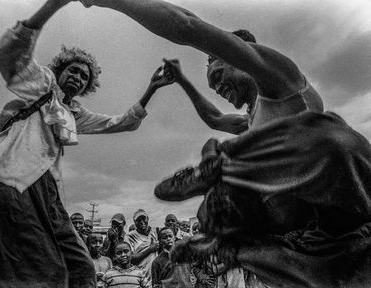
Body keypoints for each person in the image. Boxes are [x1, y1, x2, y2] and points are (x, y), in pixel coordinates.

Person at [80, 1, 371, 287]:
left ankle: (223, 178)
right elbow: (215, 118)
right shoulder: (252, 119)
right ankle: (226, 235)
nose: (218, 88)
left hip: (333, 184)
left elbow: (187, 25)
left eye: (219, 76)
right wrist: (181, 80)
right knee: (221, 156)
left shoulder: (282, 80)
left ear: (243, 58)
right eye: (213, 86)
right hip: (305, 229)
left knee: (332, 136)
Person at [0, 0, 174, 287]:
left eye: (84, 77)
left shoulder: (73, 113)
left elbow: (122, 122)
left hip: (43, 186)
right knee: (37, 269)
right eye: (74, 71)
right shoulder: (40, 86)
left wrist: (152, 88)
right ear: (60, 70)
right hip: (6, 173)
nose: (78, 78)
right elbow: (10, 52)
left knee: (79, 266)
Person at [126, 209, 158, 284]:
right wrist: (150, 249)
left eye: (144, 219)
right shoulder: (129, 236)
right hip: (139, 276)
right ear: (134, 222)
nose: (141, 221)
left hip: (155, 275)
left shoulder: (156, 232)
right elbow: (130, 258)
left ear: (148, 219)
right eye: (138, 220)